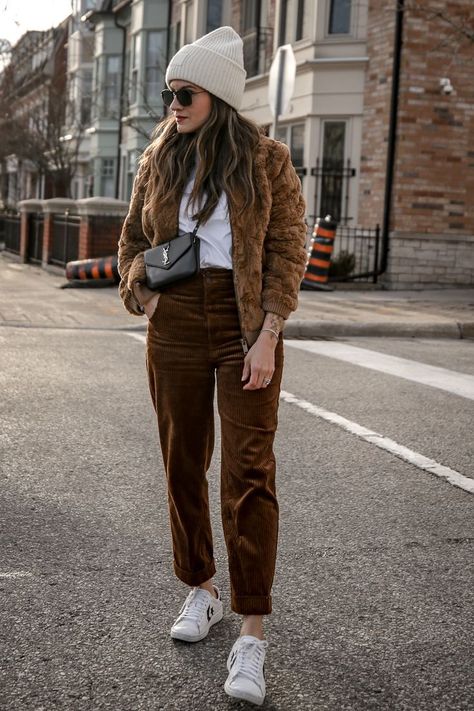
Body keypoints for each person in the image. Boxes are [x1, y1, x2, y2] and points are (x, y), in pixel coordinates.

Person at [117, 26, 307, 707]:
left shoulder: (267, 161)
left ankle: (251, 631)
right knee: (180, 461)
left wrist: (269, 332)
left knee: (249, 472)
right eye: (169, 92)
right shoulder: (160, 158)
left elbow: (288, 248)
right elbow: (132, 240)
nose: (173, 102)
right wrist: (140, 280)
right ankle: (202, 588)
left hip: (243, 322)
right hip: (174, 323)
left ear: (217, 96)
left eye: (185, 91)